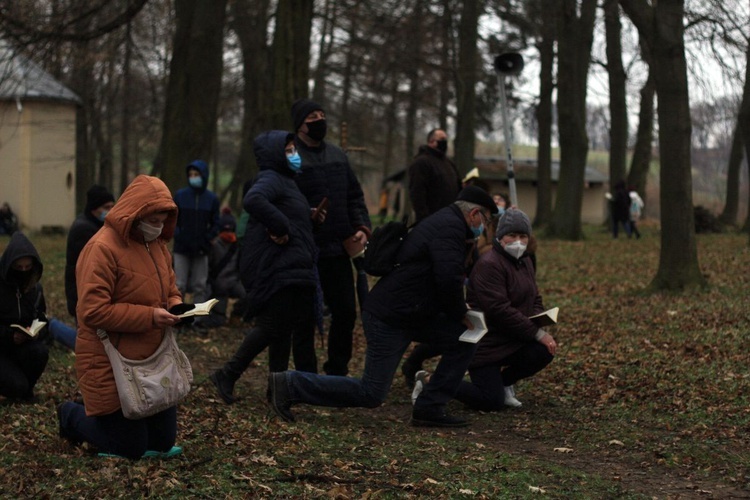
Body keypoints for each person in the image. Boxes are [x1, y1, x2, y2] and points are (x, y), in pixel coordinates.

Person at [267, 186, 498, 428]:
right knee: (371, 392)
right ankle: (289, 384)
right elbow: (447, 278)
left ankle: (430, 407)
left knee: (464, 339)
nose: (485, 225)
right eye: (486, 219)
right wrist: (461, 312)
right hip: (390, 318)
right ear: (474, 214)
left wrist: (459, 308)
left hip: (413, 313)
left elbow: (442, 276)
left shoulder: (447, 224)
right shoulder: (449, 228)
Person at [57, 175, 190, 459]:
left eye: (163, 219)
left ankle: (118, 423)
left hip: (152, 358)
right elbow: (92, 310)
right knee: (129, 448)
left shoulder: (157, 247)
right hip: (109, 357)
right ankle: (70, 415)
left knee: (161, 443)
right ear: (137, 212)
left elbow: (170, 288)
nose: (158, 226)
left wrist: (178, 306)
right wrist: (150, 316)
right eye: (153, 219)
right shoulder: (102, 247)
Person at [210, 131, 320, 405]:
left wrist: (308, 215)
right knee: (272, 325)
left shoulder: (288, 182)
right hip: (275, 264)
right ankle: (228, 374)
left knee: (281, 328)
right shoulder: (271, 178)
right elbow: (253, 200)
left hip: (289, 264)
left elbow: (285, 211)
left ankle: (276, 390)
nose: (295, 155)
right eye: (289, 150)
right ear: (275, 154)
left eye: (294, 149)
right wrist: (280, 226)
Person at [290, 99, 371, 376]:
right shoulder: (291, 157)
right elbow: (283, 200)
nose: (319, 120)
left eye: (322, 115)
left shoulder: (337, 155)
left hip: (338, 248)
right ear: (300, 124)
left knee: (346, 312)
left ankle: (337, 370)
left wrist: (361, 226)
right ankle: (306, 375)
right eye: (313, 116)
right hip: (305, 250)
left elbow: (354, 196)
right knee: (303, 318)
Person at [449, 208, 556, 411]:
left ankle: (503, 382)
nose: (518, 241)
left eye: (523, 236)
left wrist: (539, 317)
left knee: (544, 351)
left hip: (513, 337)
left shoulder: (525, 261)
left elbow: (535, 296)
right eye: (512, 236)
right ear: (500, 237)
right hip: (486, 344)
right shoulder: (489, 264)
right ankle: (431, 381)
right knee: (490, 401)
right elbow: (499, 310)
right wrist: (536, 332)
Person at [58, 185, 116, 350]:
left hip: (85, 293)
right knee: (89, 343)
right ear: (94, 208)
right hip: (82, 294)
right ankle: (54, 327)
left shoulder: (96, 226)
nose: (110, 210)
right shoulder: (84, 230)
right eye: (106, 207)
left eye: (112, 206)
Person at [0, 232, 49, 402]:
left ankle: (25, 390)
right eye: (18, 267)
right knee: (16, 386)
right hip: (2, 345)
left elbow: (42, 317)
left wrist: (36, 332)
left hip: (23, 346)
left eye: (27, 267)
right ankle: (18, 388)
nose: (23, 271)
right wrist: (9, 336)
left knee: (40, 352)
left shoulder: (34, 289)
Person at [173, 160, 220, 309]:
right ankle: (178, 316)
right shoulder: (180, 196)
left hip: (202, 248)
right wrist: (179, 235)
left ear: (204, 175)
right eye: (191, 174)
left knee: (200, 285)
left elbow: (216, 223)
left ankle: (197, 318)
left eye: (196, 174)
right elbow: (173, 220)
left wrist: (207, 238)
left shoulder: (211, 199)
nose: (193, 177)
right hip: (181, 247)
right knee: (179, 284)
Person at [200, 208, 246, 328]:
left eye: (230, 230)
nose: (228, 233)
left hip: (234, 283)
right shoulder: (213, 245)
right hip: (219, 287)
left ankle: (236, 315)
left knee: (249, 296)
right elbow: (208, 269)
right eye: (225, 230)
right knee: (218, 320)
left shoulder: (238, 246)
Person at [408, 128, 462, 223]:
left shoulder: (449, 163)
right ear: (431, 141)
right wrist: (424, 219)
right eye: (442, 139)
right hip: (431, 220)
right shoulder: (421, 163)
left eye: (445, 139)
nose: (444, 142)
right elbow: (417, 193)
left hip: (450, 218)